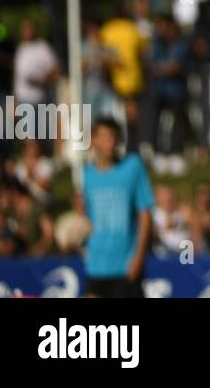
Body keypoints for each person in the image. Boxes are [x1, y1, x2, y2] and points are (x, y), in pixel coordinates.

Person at [77, 117, 153, 297]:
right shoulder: (87, 174)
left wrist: (139, 257)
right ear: (93, 139)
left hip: (124, 265)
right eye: (103, 137)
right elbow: (88, 217)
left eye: (112, 137)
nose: (109, 143)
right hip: (96, 264)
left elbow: (145, 214)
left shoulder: (133, 166)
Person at [144, 15, 191, 172]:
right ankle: (159, 154)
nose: (162, 30)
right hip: (158, 90)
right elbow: (151, 65)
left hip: (176, 91)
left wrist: (163, 69)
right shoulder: (156, 43)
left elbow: (176, 67)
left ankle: (175, 154)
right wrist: (164, 69)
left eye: (164, 26)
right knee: (155, 123)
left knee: (177, 124)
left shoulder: (181, 43)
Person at [100, 2, 148, 150]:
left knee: (115, 115)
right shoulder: (134, 29)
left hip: (114, 79)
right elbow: (142, 52)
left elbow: (105, 56)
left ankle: (119, 145)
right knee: (132, 115)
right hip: (134, 78)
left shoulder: (107, 30)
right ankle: (132, 145)